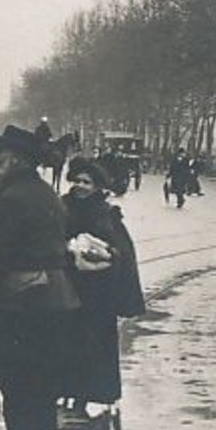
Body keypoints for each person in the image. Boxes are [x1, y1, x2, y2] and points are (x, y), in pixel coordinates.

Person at [0, 125, 80, 430]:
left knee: (18, 379)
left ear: (13, 160)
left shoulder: (13, 199)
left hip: (25, 300)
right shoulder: (44, 193)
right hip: (54, 296)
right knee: (40, 381)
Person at [59, 157, 145, 415]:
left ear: (97, 186)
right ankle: (63, 389)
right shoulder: (61, 208)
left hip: (97, 291)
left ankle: (85, 394)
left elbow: (122, 250)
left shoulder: (106, 214)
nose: (81, 186)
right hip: (67, 284)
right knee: (64, 340)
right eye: (77, 181)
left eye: (87, 182)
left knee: (92, 344)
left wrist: (106, 254)